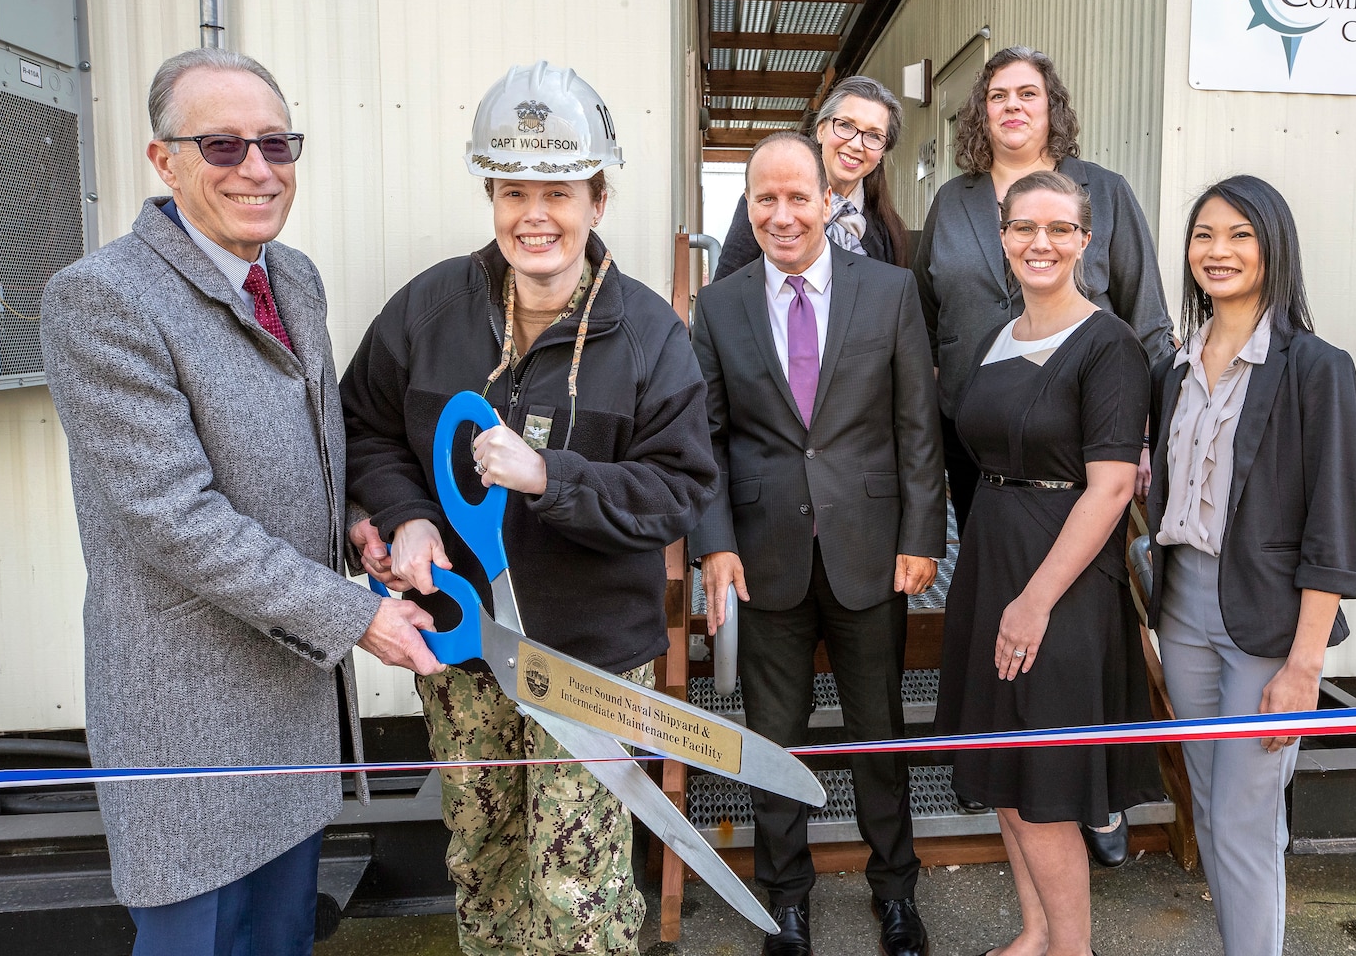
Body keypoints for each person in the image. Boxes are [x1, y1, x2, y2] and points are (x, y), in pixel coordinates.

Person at [39, 48, 443, 956]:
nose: (256, 168)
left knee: (280, 939)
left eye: (276, 142)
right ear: (163, 160)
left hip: (288, 704)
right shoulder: (101, 299)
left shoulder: (290, 276)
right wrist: (358, 618)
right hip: (190, 716)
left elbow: (312, 445)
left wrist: (360, 528)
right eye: (222, 146)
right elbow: (174, 518)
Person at [339, 60, 718, 956]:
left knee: (578, 892)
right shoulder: (430, 308)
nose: (534, 215)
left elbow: (679, 491)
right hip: (463, 652)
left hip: (591, 663)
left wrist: (553, 479)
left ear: (597, 197)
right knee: (483, 862)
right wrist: (407, 516)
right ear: (490, 193)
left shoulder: (651, 337)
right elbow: (362, 429)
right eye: (513, 190)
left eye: (558, 190)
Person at [690, 132, 945, 956]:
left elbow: (917, 429)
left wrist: (921, 537)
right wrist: (714, 545)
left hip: (872, 551)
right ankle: (786, 900)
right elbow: (708, 438)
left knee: (879, 733)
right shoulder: (719, 304)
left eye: (797, 195)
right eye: (764, 198)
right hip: (764, 559)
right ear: (748, 207)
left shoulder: (890, 290)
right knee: (773, 739)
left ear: (828, 201)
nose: (781, 213)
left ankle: (895, 891)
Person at [933, 171, 1162, 956]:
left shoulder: (1110, 346)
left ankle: (1072, 949)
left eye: (1059, 229)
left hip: (1057, 580)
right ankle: (1034, 932)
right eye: (1024, 227)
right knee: (1004, 770)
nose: (1041, 242)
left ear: (1084, 242)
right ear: (1002, 237)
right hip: (991, 557)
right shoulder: (1001, 334)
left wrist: (1032, 602)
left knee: (1044, 786)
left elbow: (1105, 493)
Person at [1147, 175, 1356, 956]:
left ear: (1274, 247)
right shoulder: (1172, 369)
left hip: (1267, 627)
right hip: (1182, 617)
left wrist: (1304, 665)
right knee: (1211, 809)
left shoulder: (1314, 367)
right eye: (1204, 235)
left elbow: (1331, 527)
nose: (1219, 251)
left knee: (1241, 818)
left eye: (1240, 234)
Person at [911, 46, 1172, 532]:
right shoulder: (951, 200)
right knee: (990, 565)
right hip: (975, 435)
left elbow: (1148, 318)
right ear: (981, 113)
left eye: (1028, 94)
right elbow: (924, 323)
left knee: (1074, 579)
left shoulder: (1105, 191)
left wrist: (1146, 437)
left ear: (1051, 108)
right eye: (998, 96)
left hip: (1081, 435)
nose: (1013, 105)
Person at [713, 76, 911, 279]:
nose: (856, 144)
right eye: (845, 125)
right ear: (821, 130)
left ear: (883, 152)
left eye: (873, 135)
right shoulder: (770, 204)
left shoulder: (886, 229)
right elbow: (727, 291)